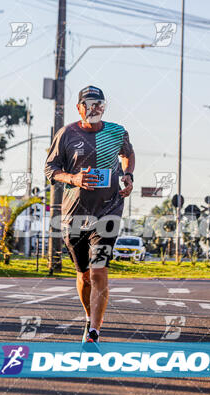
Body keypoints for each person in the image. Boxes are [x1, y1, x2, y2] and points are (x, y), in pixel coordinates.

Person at [45, 85, 135, 343]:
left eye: (100, 104)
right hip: (73, 215)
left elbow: (127, 153)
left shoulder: (117, 132)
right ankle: (88, 316)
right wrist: (73, 178)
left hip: (109, 210)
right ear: (79, 108)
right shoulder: (66, 134)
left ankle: (95, 329)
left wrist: (127, 175)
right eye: (90, 104)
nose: (95, 108)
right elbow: (50, 169)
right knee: (84, 274)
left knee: (99, 270)